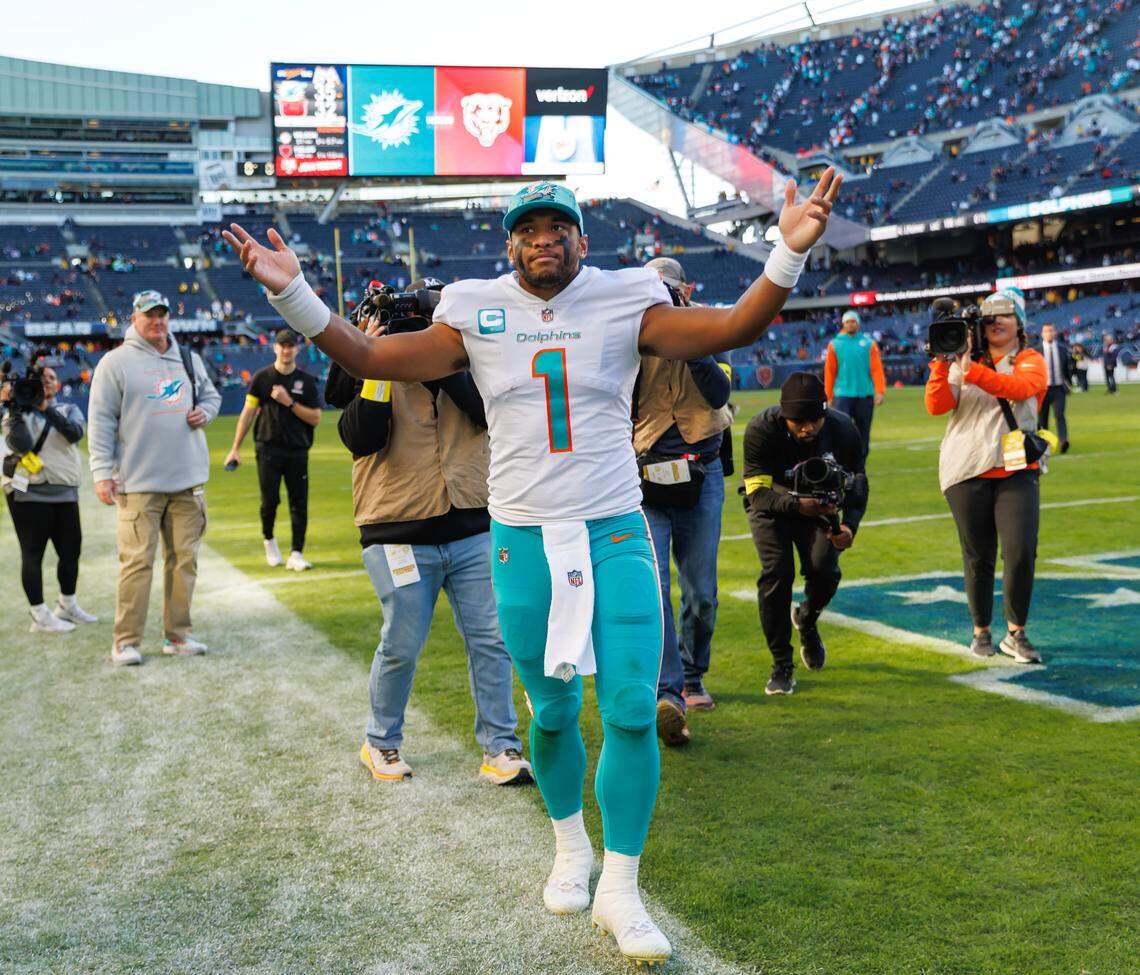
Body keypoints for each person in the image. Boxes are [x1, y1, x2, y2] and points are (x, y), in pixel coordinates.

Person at [222, 168, 841, 966]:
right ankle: (569, 846)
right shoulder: (473, 309)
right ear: (508, 243)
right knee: (549, 713)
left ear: (584, 239)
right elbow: (369, 350)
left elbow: (730, 330)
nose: (544, 239)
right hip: (520, 537)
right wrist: (293, 292)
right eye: (529, 229)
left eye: (559, 227)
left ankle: (622, 887)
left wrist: (784, 255)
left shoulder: (624, 296)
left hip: (615, 529)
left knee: (625, 705)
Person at [323, 282, 532, 787]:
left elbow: (486, 412)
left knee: (492, 639)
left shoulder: (467, 358)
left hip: (470, 520)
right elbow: (361, 436)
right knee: (401, 643)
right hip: (396, 526)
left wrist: (436, 350)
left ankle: (501, 747)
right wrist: (378, 357)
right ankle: (380, 741)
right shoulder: (370, 355)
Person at [88, 290, 221, 666]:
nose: (157, 321)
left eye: (162, 314)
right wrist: (102, 474)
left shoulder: (187, 357)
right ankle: (126, 641)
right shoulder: (115, 363)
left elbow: (211, 399)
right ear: (135, 319)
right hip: (138, 483)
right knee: (136, 564)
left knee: (184, 563)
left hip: (187, 481)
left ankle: (178, 635)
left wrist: (205, 413)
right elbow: (100, 422)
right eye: (149, 315)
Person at [634, 256, 732, 747]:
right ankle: (669, 694)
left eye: (670, 292)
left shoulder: (710, 325)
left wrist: (689, 335)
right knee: (654, 591)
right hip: (644, 476)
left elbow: (719, 392)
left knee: (701, 593)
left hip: (703, 471)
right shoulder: (630, 334)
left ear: (686, 290)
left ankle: (694, 675)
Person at [925, 289, 1047, 663]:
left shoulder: (1030, 359)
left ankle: (1016, 632)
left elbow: (1021, 389)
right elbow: (936, 405)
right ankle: (981, 631)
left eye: (1005, 315)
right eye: (989, 316)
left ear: (1020, 325)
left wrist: (970, 369)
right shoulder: (962, 359)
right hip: (965, 466)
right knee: (978, 555)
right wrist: (942, 363)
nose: (996, 321)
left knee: (1020, 552)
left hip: (1015, 468)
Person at [741, 372, 868, 696]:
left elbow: (858, 483)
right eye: (797, 421)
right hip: (772, 506)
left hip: (820, 506)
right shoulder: (761, 429)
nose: (806, 428)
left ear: (825, 414)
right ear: (784, 416)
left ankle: (807, 620)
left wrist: (850, 525)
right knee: (777, 574)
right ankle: (781, 664)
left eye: (814, 420)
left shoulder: (843, 430)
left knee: (825, 571)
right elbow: (756, 494)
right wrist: (798, 507)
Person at [2, 361, 97, 632]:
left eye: (50, 379)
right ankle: (40, 616)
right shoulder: (15, 413)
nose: (45, 384)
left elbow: (74, 433)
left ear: (57, 384)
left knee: (71, 551)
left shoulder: (69, 409)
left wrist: (45, 408)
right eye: (39, 380)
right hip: (29, 494)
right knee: (32, 554)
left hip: (65, 492)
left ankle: (67, 605)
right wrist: (13, 406)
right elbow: (20, 445)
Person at [224, 328, 321, 570]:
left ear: (297, 349)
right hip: (267, 448)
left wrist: (290, 403)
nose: (286, 350)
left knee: (299, 503)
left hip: (298, 450)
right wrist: (235, 448)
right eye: (282, 345)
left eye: (290, 346)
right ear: (275, 348)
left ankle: (296, 553)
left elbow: (315, 418)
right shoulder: (261, 378)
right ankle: (269, 541)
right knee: (269, 501)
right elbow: (247, 414)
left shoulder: (307, 382)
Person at [824, 309, 885, 458]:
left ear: (858, 324)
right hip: (842, 395)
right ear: (843, 324)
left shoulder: (869, 344)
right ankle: (842, 462)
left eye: (853, 321)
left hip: (865, 395)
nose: (850, 324)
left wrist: (880, 391)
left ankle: (860, 466)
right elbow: (830, 372)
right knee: (841, 431)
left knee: (864, 433)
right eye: (847, 322)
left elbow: (876, 369)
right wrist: (828, 395)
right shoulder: (835, 344)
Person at [1037, 323, 1072, 453]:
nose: (1049, 333)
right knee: (1042, 418)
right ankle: (1044, 443)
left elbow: (1067, 369)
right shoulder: (1036, 350)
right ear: (1042, 334)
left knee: (1060, 415)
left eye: (1051, 331)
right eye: (1046, 331)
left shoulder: (1062, 349)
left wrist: (1069, 384)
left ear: (1055, 332)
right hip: (1043, 389)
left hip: (1058, 389)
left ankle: (1064, 441)